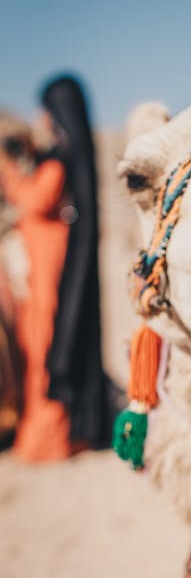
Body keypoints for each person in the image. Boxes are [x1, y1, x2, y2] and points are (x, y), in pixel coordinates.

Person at [0, 74, 114, 461]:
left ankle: (50, 438)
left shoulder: (62, 161)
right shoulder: (54, 157)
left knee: (45, 346)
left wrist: (7, 169)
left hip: (50, 269)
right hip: (36, 268)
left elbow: (35, 201)